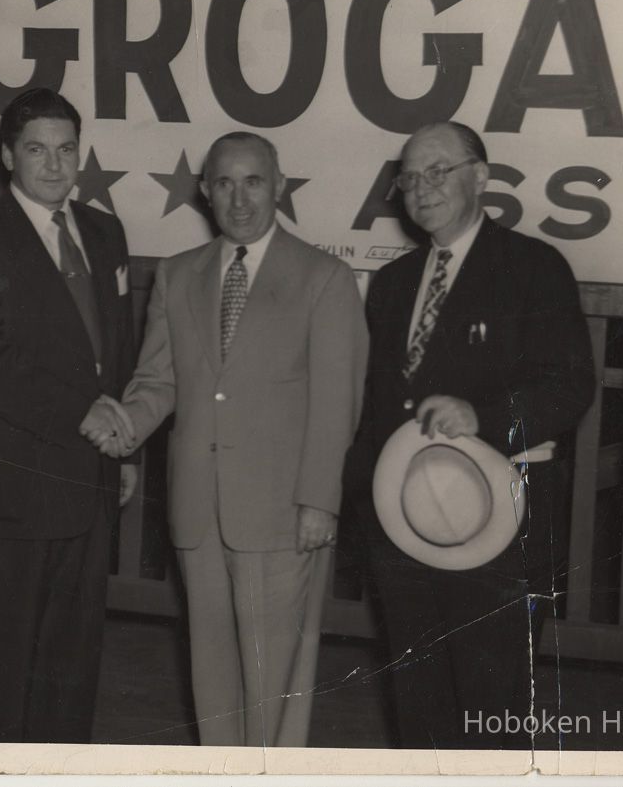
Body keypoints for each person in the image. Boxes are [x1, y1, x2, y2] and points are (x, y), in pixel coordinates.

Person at [108, 131, 367, 747]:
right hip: (198, 510)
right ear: (205, 192)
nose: (240, 199)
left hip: (282, 513)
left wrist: (318, 501)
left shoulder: (324, 278)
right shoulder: (177, 276)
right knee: (212, 676)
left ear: (279, 186)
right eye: (225, 183)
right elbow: (157, 380)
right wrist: (124, 425)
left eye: (254, 182)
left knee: (272, 679)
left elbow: (339, 402)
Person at [344, 121, 595, 749]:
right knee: (418, 701)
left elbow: (569, 387)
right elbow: (376, 411)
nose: (421, 187)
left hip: (499, 527)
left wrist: (484, 416)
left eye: (438, 171)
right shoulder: (394, 283)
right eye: (408, 176)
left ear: (481, 177)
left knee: (492, 703)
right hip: (403, 523)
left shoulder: (535, 268)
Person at [0, 87, 137, 743]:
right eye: (37, 149)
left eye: (67, 148)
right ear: (8, 155)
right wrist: (87, 413)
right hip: (9, 496)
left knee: (70, 674)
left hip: (89, 484)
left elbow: (117, 351)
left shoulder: (104, 233)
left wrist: (124, 446)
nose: (54, 164)